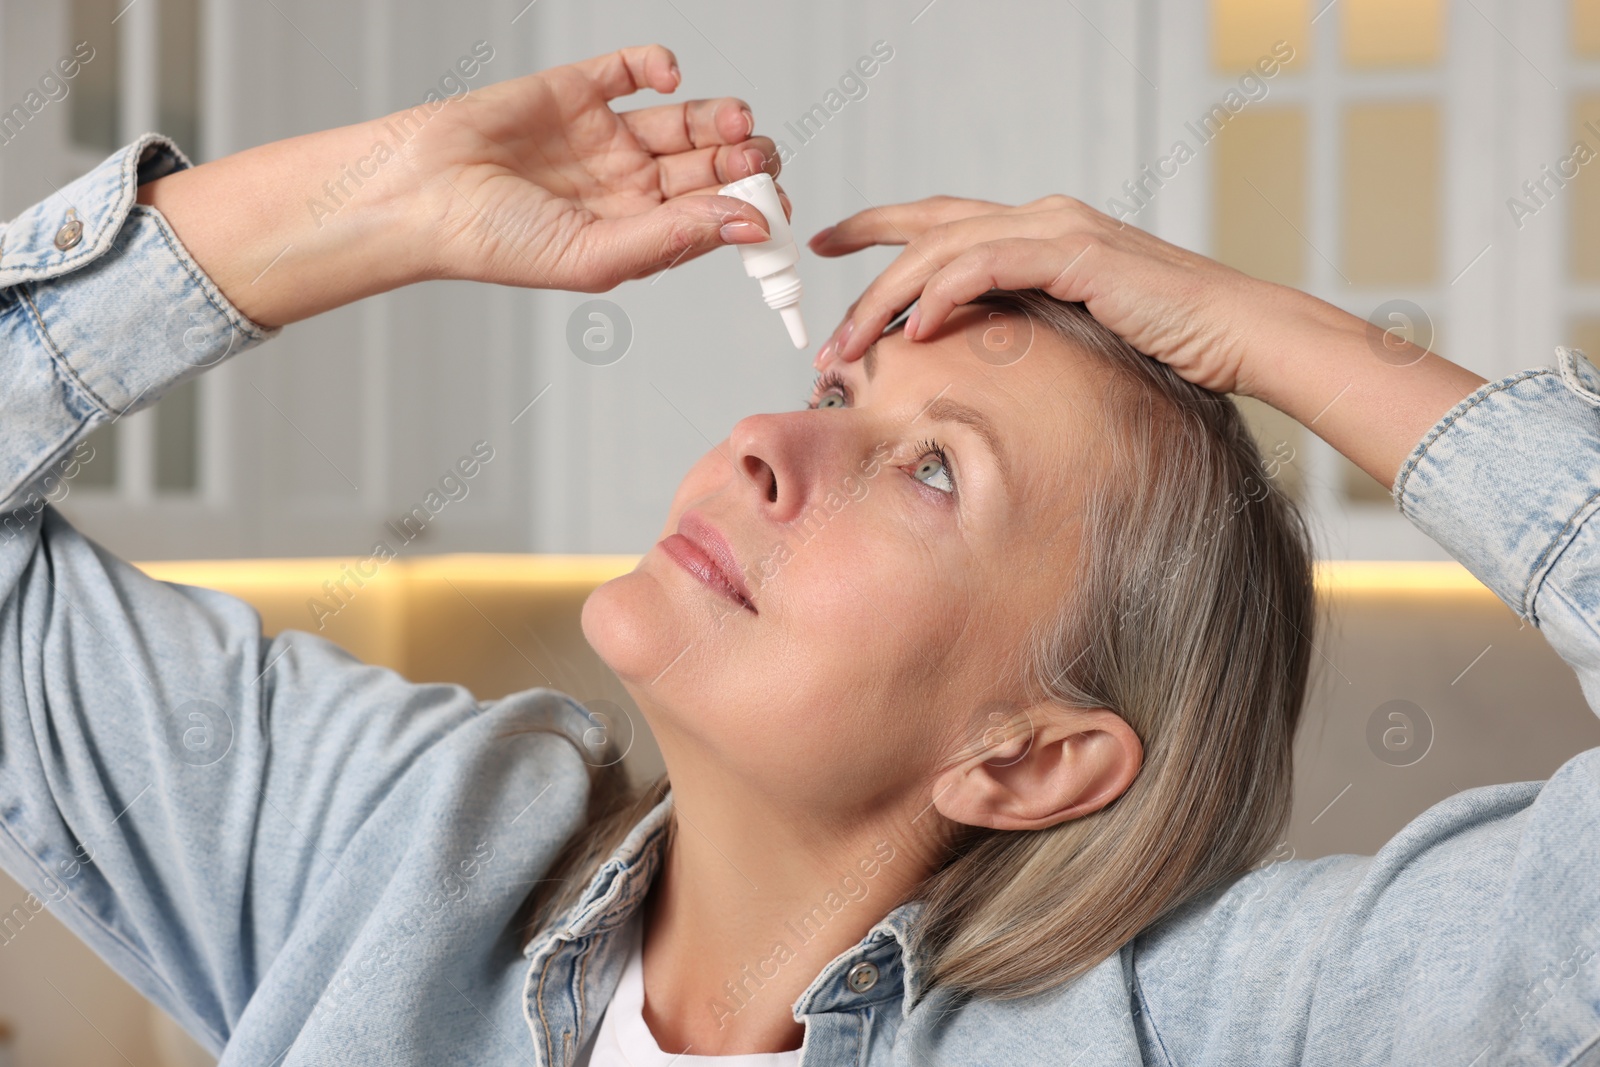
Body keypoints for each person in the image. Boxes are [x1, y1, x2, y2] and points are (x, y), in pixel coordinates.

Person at [0, 43, 1595, 1067]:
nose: (771, 443)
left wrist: (1285, 334)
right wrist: (368, 206)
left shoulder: (1217, 1026)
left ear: (1032, 758)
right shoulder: (394, 856)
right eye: (841, 391)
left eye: (929, 473)